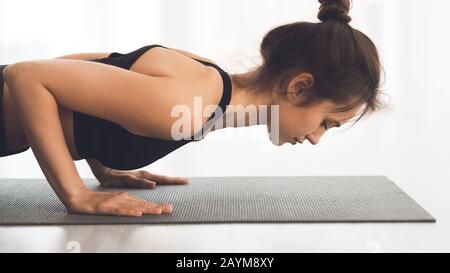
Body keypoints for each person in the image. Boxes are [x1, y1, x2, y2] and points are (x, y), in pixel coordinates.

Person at [0, 0, 384, 217]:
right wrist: (75, 194)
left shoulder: (210, 88)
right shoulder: (189, 103)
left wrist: (100, 156)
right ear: (299, 88)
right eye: (327, 123)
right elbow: (27, 77)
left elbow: (100, 65)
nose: (316, 138)